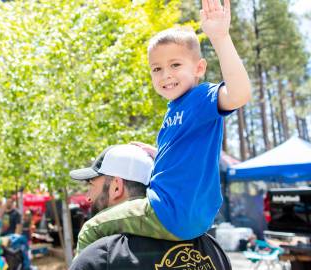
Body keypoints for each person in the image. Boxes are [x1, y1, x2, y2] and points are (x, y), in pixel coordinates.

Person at [75, 0, 252, 253]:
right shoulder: (175, 111)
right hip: (192, 215)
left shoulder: (200, 99)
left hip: (167, 210)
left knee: (91, 228)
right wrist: (159, 153)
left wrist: (220, 37)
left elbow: (239, 94)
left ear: (199, 68)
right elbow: (187, 161)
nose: (165, 74)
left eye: (175, 65)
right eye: (157, 69)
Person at [69, 145, 232, 269]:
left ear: (116, 187)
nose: (88, 196)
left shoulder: (99, 256)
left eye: (92, 186)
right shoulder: (211, 248)